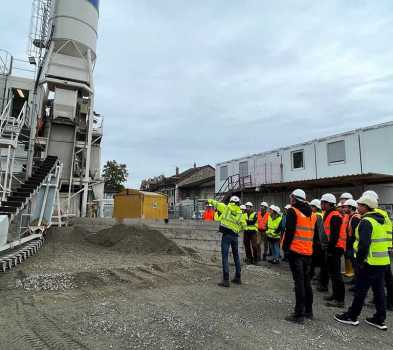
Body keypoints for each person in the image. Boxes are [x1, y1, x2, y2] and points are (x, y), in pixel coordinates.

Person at [335, 194, 390, 330]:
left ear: (366, 207)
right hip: (382, 262)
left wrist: (359, 262)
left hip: (369, 262)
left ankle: (352, 316)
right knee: (379, 291)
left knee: (361, 290)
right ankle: (379, 318)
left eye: (360, 205)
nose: (357, 207)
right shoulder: (379, 220)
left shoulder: (366, 222)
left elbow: (364, 244)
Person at [282, 189, 317, 324]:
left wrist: (285, 248)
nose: (290, 200)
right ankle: (308, 311)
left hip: (296, 252)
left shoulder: (293, 211)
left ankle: (299, 314)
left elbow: (290, 231)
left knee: (299, 283)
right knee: (306, 283)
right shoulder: (312, 214)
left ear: (294, 199)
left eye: (291, 197)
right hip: (308, 252)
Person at [363, 191, 393, 311]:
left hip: (378, 250)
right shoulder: (384, 214)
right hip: (386, 249)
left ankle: (383, 302)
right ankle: (388, 301)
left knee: (379, 279)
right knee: (386, 278)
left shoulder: (374, 215)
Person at [208, 196, 246, 287]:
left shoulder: (226, 207)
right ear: (238, 203)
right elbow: (244, 225)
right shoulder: (240, 212)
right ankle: (238, 277)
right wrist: (237, 229)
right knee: (236, 256)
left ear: (230, 201)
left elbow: (215, 203)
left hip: (226, 236)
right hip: (234, 236)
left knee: (225, 257)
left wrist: (209, 200)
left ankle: (226, 280)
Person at [321, 193, 346, 308]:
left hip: (336, 248)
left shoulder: (334, 215)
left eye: (323, 203)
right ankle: (335, 295)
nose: (322, 205)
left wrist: (330, 250)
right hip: (333, 247)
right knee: (332, 273)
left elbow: (335, 236)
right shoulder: (329, 214)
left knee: (336, 274)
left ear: (329, 204)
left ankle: (340, 300)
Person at [343, 199, 361, 280]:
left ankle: (357, 284)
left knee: (356, 265)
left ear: (351, 208)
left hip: (353, 246)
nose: (343, 209)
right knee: (354, 266)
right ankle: (355, 281)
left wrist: (349, 243)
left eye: (345, 207)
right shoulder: (350, 217)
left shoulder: (355, 218)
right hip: (350, 245)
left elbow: (354, 235)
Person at [309, 199, 325, 282]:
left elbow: (319, 230)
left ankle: (315, 275)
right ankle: (314, 274)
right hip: (316, 241)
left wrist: (318, 241)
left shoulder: (317, 216)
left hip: (316, 241)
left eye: (312, 206)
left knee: (315, 260)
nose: (311, 208)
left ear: (316, 207)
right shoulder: (319, 215)